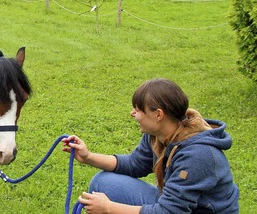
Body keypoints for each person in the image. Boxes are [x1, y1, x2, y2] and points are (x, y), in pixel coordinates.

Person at [62, 78, 239, 213]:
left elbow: (169, 211)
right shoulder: (157, 134)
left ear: (158, 115)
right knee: (102, 182)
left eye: (138, 109)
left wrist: (109, 208)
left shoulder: (199, 155)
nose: (132, 114)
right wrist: (88, 156)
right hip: (173, 205)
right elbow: (134, 164)